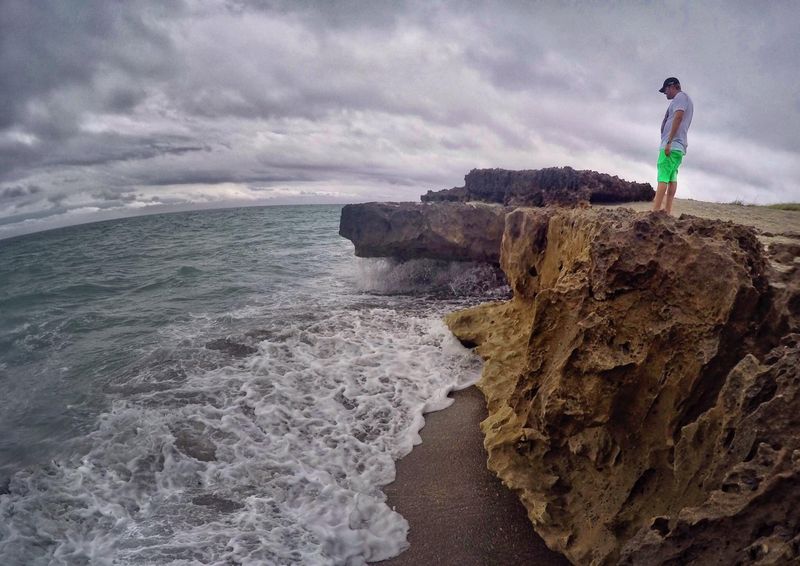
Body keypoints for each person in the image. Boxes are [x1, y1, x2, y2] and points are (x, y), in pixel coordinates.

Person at [652, 77, 693, 214]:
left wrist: (669, 141)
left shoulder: (680, 97)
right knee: (672, 176)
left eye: (666, 90)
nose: (665, 93)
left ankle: (655, 211)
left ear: (673, 86)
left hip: (672, 144)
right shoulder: (684, 99)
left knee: (663, 176)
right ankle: (667, 211)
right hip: (678, 145)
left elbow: (678, 116)